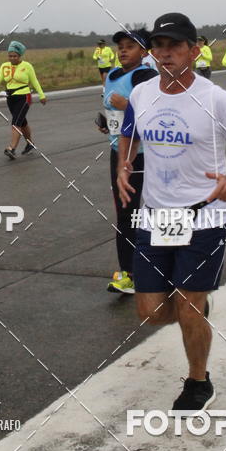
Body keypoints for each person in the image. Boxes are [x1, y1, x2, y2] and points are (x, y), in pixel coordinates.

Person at [117, 12, 226, 414]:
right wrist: (122, 166)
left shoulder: (215, 98)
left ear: (193, 50)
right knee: (152, 312)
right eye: (159, 46)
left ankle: (198, 381)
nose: (165, 53)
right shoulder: (142, 94)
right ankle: (195, 308)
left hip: (204, 215)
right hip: (156, 216)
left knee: (187, 302)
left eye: (174, 46)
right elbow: (128, 131)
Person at [99, 28, 158, 295]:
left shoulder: (146, 76)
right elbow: (111, 111)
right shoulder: (112, 74)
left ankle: (161, 267)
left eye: (130, 47)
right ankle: (128, 273)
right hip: (118, 152)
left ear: (144, 52)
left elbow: (157, 112)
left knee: (147, 212)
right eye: (120, 46)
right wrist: (106, 122)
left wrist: (127, 106)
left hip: (144, 154)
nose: (123, 50)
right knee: (125, 213)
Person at [0, 41, 46, 159]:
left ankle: (11, 148)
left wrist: (41, 95)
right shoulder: (4, 66)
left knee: (16, 122)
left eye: (15, 56)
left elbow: (34, 81)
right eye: (10, 56)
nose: (12, 58)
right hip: (10, 98)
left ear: (20, 56)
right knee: (22, 121)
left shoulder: (27, 66)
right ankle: (30, 144)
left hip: (24, 97)